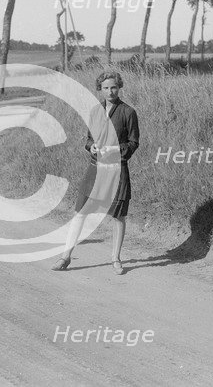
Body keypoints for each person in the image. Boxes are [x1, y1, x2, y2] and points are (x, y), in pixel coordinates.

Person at [52, 71, 139, 275]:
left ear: (120, 87)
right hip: (94, 169)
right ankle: (66, 256)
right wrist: (90, 147)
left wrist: (116, 150)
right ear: (100, 89)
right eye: (106, 88)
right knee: (80, 213)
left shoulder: (128, 112)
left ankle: (116, 259)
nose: (110, 91)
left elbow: (134, 143)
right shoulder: (94, 111)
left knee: (118, 216)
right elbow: (89, 138)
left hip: (117, 171)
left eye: (114, 87)